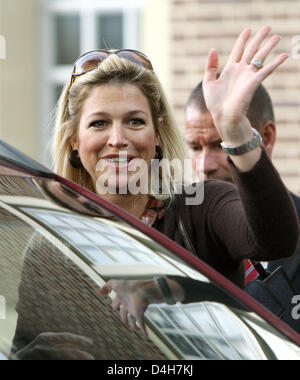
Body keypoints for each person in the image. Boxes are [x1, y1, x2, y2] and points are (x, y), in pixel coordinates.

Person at [12, 26, 299, 356]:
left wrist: (235, 132)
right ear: (75, 141)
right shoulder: (48, 244)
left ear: (158, 135)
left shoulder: (201, 207)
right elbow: (25, 345)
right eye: (99, 123)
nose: (118, 139)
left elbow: (276, 239)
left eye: (135, 121)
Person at [185, 76, 300, 291]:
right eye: (195, 148)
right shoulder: (181, 236)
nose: (204, 165)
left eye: (220, 145)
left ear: (265, 138)